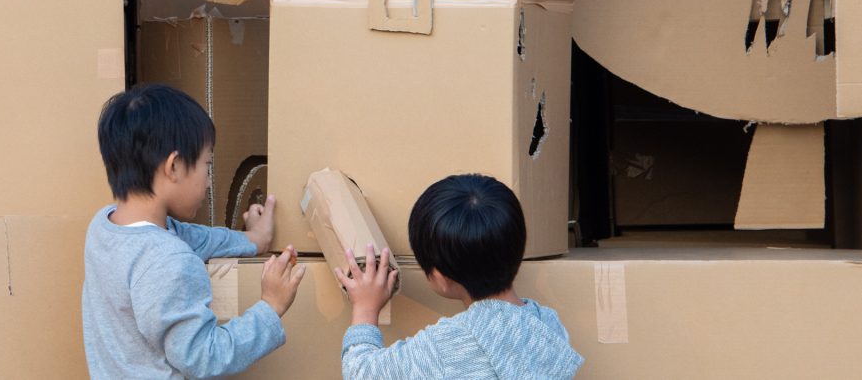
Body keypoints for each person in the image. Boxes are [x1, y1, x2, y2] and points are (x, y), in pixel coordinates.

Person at [83, 84, 305, 378]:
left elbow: (190, 236)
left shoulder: (105, 226)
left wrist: (253, 239)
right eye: (207, 166)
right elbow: (205, 357)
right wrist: (270, 306)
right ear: (174, 166)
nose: (210, 181)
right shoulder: (168, 260)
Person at [335, 174, 582, 379]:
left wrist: (365, 308)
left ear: (441, 278)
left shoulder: (444, 348)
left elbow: (361, 373)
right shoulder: (548, 325)